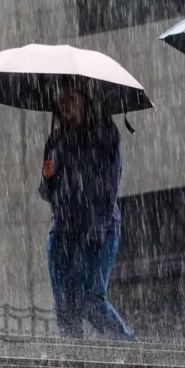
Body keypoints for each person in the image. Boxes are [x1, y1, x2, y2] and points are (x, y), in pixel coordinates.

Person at [37, 85, 135, 341]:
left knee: (89, 299)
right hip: (62, 230)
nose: (65, 104)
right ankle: (75, 359)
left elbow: (111, 182)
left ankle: (130, 346)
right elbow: (46, 192)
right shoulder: (55, 140)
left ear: (84, 100)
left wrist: (98, 225)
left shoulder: (105, 133)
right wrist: (47, 177)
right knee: (65, 305)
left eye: (70, 98)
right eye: (60, 100)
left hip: (98, 226)